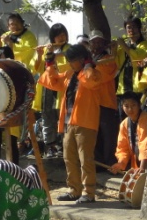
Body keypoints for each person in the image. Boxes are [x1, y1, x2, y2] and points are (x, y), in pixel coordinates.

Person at [40, 45, 102, 205]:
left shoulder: (94, 73)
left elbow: (89, 81)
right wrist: (49, 63)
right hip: (68, 122)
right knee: (69, 158)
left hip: (86, 122)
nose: (69, 63)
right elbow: (51, 82)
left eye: (72, 61)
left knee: (85, 159)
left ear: (82, 60)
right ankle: (74, 191)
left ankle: (89, 193)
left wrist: (88, 65)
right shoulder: (68, 74)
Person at [32, 23, 70, 159]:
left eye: (63, 34)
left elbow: (66, 66)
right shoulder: (47, 49)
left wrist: (55, 56)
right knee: (47, 117)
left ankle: (62, 145)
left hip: (63, 87)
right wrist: (40, 54)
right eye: (58, 35)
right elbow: (36, 69)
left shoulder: (70, 49)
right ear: (52, 37)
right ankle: (50, 146)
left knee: (62, 117)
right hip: (47, 89)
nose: (61, 37)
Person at [90, 30, 119, 167]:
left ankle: (110, 163)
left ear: (103, 44)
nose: (96, 44)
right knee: (94, 134)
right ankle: (98, 163)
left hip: (106, 102)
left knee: (108, 135)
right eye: (94, 41)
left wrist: (89, 67)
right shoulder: (89, 59)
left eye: (99, 41)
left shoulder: (109, 59)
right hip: (92, 103)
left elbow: (100, 76)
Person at [112, 16, 147, 110]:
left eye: (134, 27)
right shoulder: (123, 48)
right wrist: (114, 49)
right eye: (128, 27)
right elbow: (117, 65)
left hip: (138, 88)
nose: (131, 30)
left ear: (139, 28)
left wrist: (123, 45)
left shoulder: (146, 44)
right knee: (122, 119)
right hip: (123, 89)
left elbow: (138, 58)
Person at [107, 92, 147, 174]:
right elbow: (122, 148)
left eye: (133, 105)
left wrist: (142, 168)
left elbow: (146, 144)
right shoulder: (124, 124)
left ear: (139, 105)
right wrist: (120, 164)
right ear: (122, 107)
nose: (130, 109)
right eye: (126, 106)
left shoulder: (146, 119)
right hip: (137, 165)